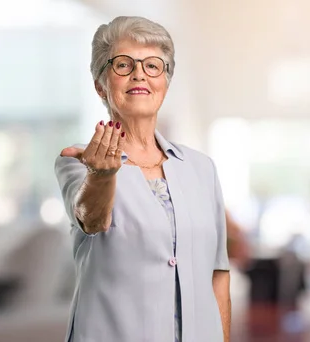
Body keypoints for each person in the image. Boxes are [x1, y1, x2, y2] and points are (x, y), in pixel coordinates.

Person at [55, 16, 231, 342]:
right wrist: (102, 175)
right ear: (100, 85)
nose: (139, 74)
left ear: (165, 82)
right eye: (123, 65)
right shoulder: (77, 160)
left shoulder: (201, 168)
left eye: (153, 66)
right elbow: (91, 219)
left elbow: (218, 274)